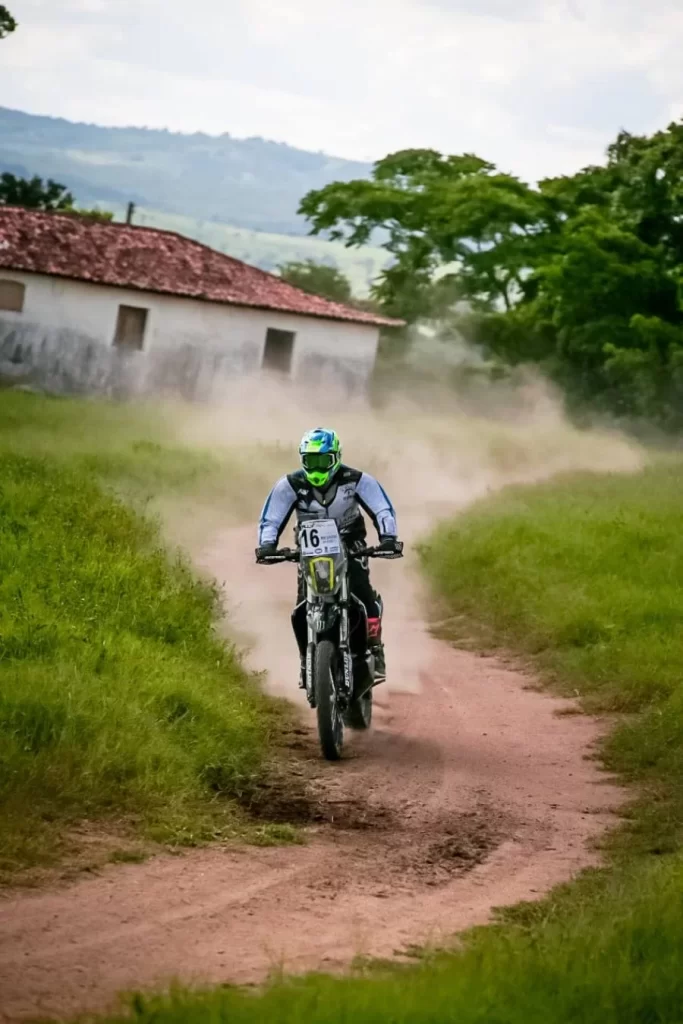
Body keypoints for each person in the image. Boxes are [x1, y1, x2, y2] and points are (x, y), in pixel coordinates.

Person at [255, 427, 401, 684]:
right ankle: (306, 661)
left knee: (363, 594)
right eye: (311, 461)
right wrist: (267, 545)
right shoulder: (290, 484)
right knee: (302, 606)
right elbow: (271, 518)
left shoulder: (357, 480)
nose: (317, 468)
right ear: (302, 460)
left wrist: (388, 538)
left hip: (351, 545)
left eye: (323, 461)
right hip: (311, 552)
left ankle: (375, 650)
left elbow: (382, 509)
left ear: (336, 458)